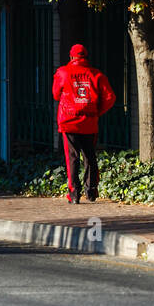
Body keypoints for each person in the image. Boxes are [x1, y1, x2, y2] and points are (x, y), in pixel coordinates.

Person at [52, 43, 116, 203]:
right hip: (89, 122)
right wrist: (96, 112)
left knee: (72, 157)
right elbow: (110, 98)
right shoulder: (96, 75)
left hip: (69, 121)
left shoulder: (63, 73)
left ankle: (74, 193)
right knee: (90, 156)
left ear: (71, 57)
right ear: (86, 57)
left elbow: (55, 94)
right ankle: (91, 190)